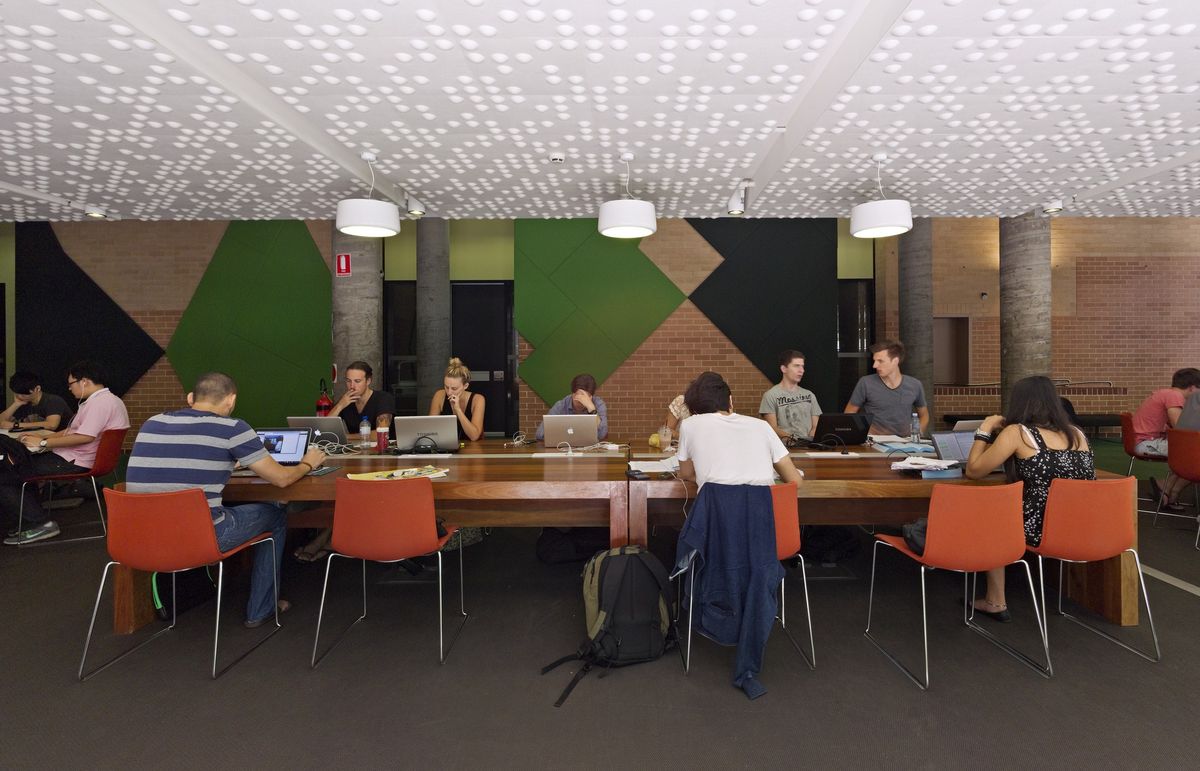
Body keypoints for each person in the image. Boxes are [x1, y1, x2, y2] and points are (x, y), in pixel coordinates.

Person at [125, 372, 326, 628]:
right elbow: (283, 479)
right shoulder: (232, 428)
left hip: (140, 537)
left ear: (190, 398)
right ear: (231, 401)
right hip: (199, 538)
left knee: (243, 507)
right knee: (274, 515)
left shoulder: (152, 422)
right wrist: (309, 462)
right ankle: (260, 610)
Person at [964, 375, 1095, 622]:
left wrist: (984, 430)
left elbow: (974, 471)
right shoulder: (1078, 434)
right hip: (1081, 526)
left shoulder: (1018, 433)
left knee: (991, 518)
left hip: (1039, 530)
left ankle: (995, 601)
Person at [0, 361, 130, 545]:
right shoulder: (103, 401)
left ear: (84, 381)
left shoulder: (100, 404)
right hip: (75, 457)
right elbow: (72, 430)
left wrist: (45, 442)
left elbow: (85, 436)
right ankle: (29, 520)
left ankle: (41, 523)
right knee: (19, 467)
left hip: (75, 460)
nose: (69, 388)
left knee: (6, 474)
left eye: (71, 383)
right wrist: (39, 437)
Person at [677, 371, 802, 488]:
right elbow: (796, 481)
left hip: (716, 509)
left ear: (693, 409)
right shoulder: (762, 426)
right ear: (730, 401)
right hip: (761, 509)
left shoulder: (689, 425)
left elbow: (686, 474)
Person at [1132, 368, 1200, 511]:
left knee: (1192, 454)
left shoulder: (1165, 393)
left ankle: (1167, 489)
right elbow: (1181, 429)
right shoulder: (1174, 396)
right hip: (1146, 443)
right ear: (1193, 387)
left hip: (1142, 441)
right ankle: (1168, 489)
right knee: (1194, 454)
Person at [845, 340, 929, 437]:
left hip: (906, 444)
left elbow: (924, 415)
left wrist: (917, 433)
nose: (874, 365)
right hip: (874, 444)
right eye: (874, 360)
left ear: (895, 361)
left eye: (880, 361)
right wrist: (864, 432)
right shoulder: (865, 383)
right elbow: (849, 414)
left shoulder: (915, 385)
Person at [759, 349, 822, 442]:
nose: (802, 370)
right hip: (784, 449)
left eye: (802, 366)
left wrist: (808, 442)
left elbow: (816, 426)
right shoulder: (770, 395)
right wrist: (796, 440)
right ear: (784, 369)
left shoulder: (810, 395)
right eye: (797, 366)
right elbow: (772, 428)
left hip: (809, 447)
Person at [534, 373, 608, 442]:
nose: (582, 400)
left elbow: (602, 434)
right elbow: (540, 434)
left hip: (589, 451)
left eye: (585, 397)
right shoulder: (561, 405)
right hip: (565, 448)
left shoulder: (598, 404)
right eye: (579, 396)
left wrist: (592, 409)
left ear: (591, 396)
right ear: (572, 394)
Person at [330, 360, 396, 435]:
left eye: (357, 381)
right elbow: (324, 429)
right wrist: (340, 406)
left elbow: (381, 433)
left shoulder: (383, 398)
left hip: (385, 446)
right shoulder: (345, 400)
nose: (352, 386)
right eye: (348, 381)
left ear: (368, 381)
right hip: (357, 446)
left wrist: (347, 437)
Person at [428, 357, 485, 441]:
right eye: (446, 387)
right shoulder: (439, 395)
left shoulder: (478, 400)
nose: (449, 392)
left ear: (465, 386)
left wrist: (458, 409)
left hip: (472, 449)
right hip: (445, 445)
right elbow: (429, 429)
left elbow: (474, 436)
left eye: (454, 388)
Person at [0, 371, 74, 432]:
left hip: (57, 442)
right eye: (17, 394)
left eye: (24, 394)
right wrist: (16, 404)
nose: (19, 397)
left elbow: (52, 425)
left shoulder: (53, 401)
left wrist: (16, 425)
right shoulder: (23, 402)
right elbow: (1, 422)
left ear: (37, 389)